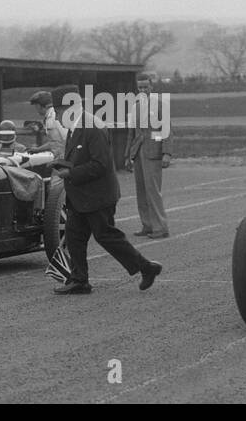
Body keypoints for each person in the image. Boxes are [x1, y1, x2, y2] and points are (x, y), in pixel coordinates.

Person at [51, 84, 164, 295]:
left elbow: (100, 164)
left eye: (57, 112)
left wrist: (71, 174)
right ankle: (79, 280)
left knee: (106, 236)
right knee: (75, 236)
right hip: (81, 197)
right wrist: (64, 163)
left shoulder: (92, 127)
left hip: (97, 196)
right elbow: (82, 158)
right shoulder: (77, 127)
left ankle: (147, 268)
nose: (56, 118)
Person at [124, 72, 172, 239]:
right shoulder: (135, 106)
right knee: (141, 191)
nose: (143, 90)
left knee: (153, 191)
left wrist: (166, 153)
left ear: (151, 87)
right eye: (140, 87)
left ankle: (161, 227)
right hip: (138, 153)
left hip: (153, 153)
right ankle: (147, 225)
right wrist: (127, 156)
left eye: (146, 87)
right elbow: (131, 133)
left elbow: (166, 130)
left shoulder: (160, 105)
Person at [26, 90, 66, 155]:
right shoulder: (50, 116)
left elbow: (60, 141)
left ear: (39, 106)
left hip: (64, 157)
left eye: (35, 106)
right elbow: (54, 142)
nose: (36, 109)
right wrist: (37, 149)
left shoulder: (53, 117)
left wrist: (37, 149)